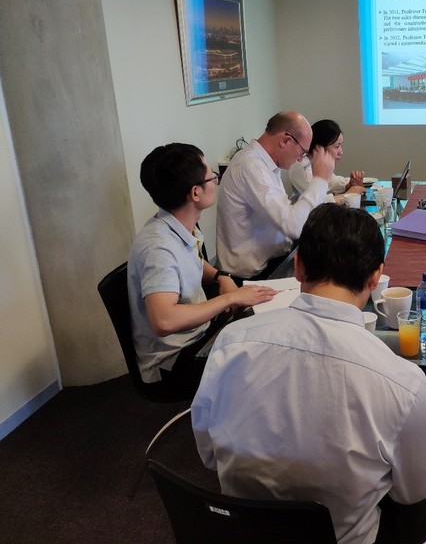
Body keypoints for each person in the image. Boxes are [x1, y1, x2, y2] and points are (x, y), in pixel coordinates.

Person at [192, 203, 426, 544]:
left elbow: (208, 455)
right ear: (375, 277)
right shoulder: (402, 382)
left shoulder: (231, 341)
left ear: (298, 266)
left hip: (243, 530)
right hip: (343, 538)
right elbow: (413, 492)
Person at [127, 143, 276, 392]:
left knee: (266, 331)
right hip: (174, 361)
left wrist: (220, 276)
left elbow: (194, 262)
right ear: (195, 193)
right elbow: (164, 320)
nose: (215, 180)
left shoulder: (178, 225)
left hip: (199, 333)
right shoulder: (158, 248)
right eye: (211, 176)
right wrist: (231, 297)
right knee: (266, 361)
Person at [216, 111, 335, 280]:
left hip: (275, 260)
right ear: (286, 140)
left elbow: (287, 216)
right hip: (253, 277)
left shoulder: (265, 163)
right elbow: (293, 226)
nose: (300, 159)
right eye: (302, 152)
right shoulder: (251, 166)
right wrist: (320, 179)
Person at [288, 119, 365, 204]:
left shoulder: (318, 162)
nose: (341, 152)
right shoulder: (301, 166)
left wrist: (349, 185)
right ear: (319, 148)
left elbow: (332, 182)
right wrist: (349, 194)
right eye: (337, 147)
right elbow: (316, 201)